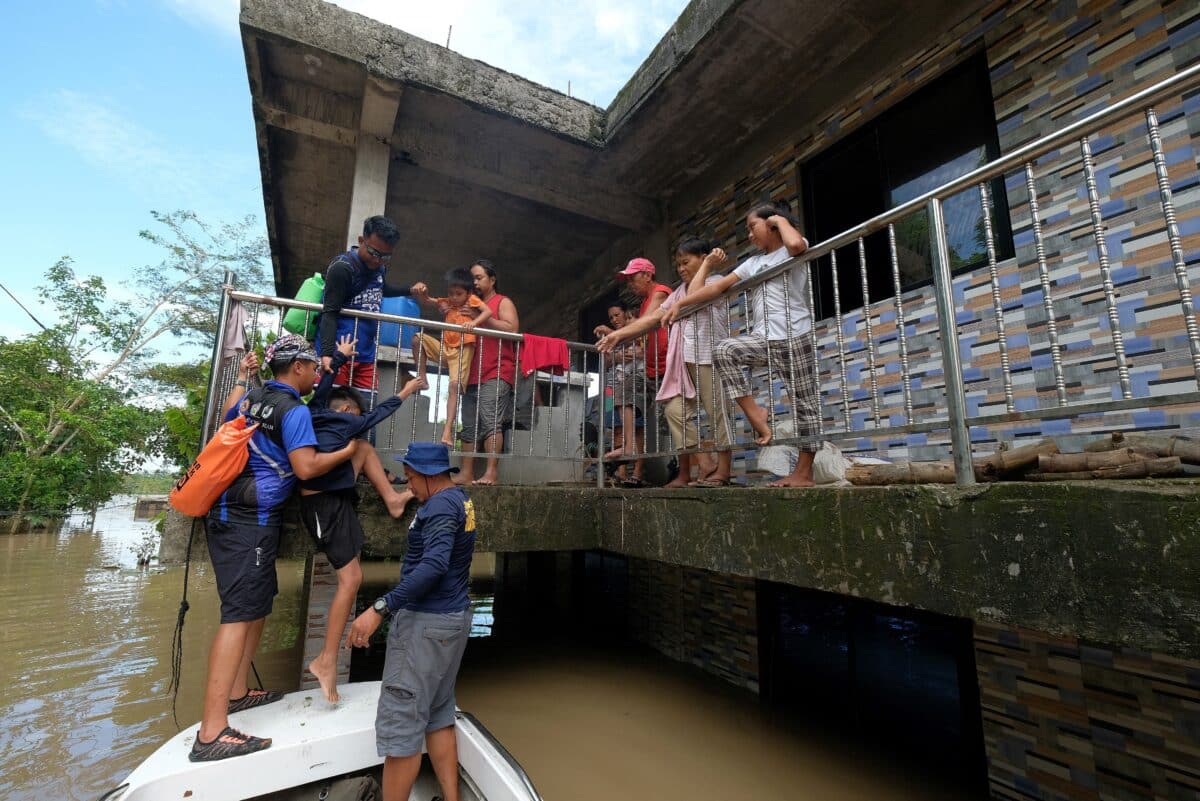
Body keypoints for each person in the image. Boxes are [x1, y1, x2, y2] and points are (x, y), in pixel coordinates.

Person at [191, 335, 360, 762]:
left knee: (258, 605)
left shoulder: (255, 396)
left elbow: (227, 418)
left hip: (240, 513)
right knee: (238, 614)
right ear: (299, 367)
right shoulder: (294, 410)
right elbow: (305, 466)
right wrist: (347, 451)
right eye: (313, 366)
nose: (316, 374)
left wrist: (244, 377)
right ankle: (211, 733)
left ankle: (237, 693)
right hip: (248, 520)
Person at [299, 334, 428, 703]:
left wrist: (338, 359)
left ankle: (392, 500)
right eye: (354, 416)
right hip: (324, 506)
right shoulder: (340, 424)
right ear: (343, 413)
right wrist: (405, 391)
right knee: (351, 579)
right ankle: (325, 661)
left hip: (340, 502)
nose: (358, 421)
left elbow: (323, 388)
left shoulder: (318, 411)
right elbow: (380, 411)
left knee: (365, 447)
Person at [345, 442, 476, 801]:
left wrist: (380, 607)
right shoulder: (459, 500)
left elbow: (433, 566)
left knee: (403, 728)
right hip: (452, 620)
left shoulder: (439, 508)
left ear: (432, 475)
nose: (408, 483)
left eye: (412, 476)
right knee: (437, 713)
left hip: (426, 625)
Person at [667, 202, 817, 487]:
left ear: (773, 223)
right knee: (725, 350)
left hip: (796, 335)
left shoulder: (790, 247)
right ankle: (755, 412)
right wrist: (680, 304)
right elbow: (715, 288)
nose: (749, 234)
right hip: (764, 338)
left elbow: (797, 244)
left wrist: (778, 220)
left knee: (804, 404)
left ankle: (803, 472)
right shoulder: (753, 263)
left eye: (752, 227)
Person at [597, 239, 733, 487]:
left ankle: (723, 471)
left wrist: (707, 265)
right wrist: (619, 334)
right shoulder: (679, 291)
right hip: (683, 362)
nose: (681, 269)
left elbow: (695, 296)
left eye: (686, 262)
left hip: (709, 356)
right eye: (678, 264)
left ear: (703, 259)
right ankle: (705, 464)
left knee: (717, 413)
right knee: (674, 412)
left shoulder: (714, 281)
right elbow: (652, 320)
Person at [316, 215, 428, 394]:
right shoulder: (342, 268)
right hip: (339, 352)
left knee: (365, 413)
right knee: (332, 411)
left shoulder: (380, 268)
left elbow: (381, 290)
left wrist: (409, 290)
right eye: (374, 253)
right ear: (361, 241)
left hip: (366, 354)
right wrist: (327, 354)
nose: (377, 260)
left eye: (385, 256)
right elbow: (329, 312)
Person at [593, 259, 670, 487]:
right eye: (611, 318)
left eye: (632, 278)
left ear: (647, 275)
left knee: (654, 422)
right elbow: (607, 361)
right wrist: (615, 349)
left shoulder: (659, 294)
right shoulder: (644, 304)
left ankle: (637, 471)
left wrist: (616, 336)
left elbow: (646, 327)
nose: (630, 284)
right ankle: (622, 464)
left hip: (655, 367)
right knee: (614, 421)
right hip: (612, 386)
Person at [412, 268, 493, 448]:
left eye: (458, 294)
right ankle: (422, 378)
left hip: (463, 349)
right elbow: (426, 301)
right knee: (418, 338)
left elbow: (487, 312)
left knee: (454, 386)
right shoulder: (447, 303)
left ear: (468, 293)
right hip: (446, 348)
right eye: (451, 293)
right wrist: (421, 292)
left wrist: (473, 323)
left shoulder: (472, 301)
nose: (454, 297)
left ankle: (447, 430)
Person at [457, 260, 520, 486]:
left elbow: (512, 329)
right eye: (471, 278)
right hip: (472, 373)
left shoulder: (502, 301)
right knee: (469, 425)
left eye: (479, 277)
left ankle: (491, 473)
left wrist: (483, 317)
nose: (474, 282)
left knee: (491, 421)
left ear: (492, 280)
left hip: (496, 370)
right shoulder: (470, 303)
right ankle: (466, 473)